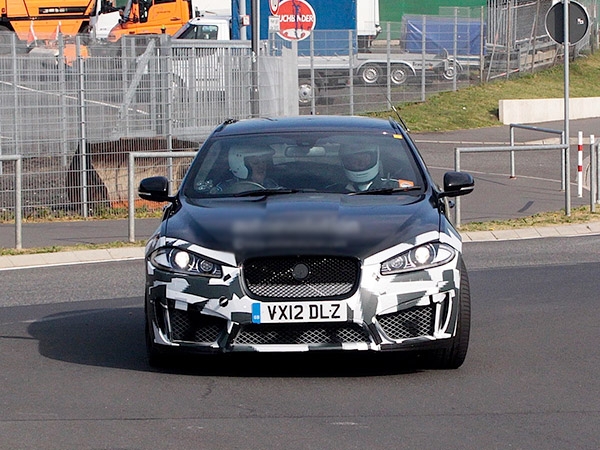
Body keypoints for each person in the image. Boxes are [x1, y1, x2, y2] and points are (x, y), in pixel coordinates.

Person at [338, 144, 415, 192]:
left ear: (375, 158)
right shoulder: (333, 190)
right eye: (354, 160)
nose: (360, 164)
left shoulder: (398, 188)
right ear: (345, 162)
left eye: (365, 159)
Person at [212, 145, 279, 193]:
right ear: (238, 165)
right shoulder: (226, 187)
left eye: (264, 162)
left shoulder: (269, 184)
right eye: (255, 163)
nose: (261, 166)